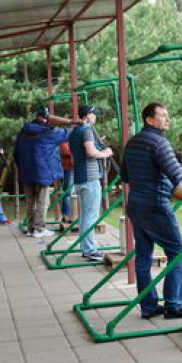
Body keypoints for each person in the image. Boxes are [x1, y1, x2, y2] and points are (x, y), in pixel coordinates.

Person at [122, 102, 182, 319]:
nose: (168, 119)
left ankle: (149, 307)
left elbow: (125, 176)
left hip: (135, 205)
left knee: (143, 257)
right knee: (177, 252)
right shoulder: (159, 143)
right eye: (163, 115)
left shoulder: (132, 142)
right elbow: (177, 175)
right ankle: (173, 305)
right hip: (155, 206)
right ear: (149, 120)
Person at [13, 106, 73, 237]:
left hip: (26, 172)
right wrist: (71, 122)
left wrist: (22, 167)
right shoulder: (50, 132)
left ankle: (31, 228)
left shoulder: (22, 132)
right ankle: (39, 228)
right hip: (43, 172)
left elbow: (15, 153)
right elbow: (69, 133)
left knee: (30, 203)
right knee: (42, 202)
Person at [68, 105, 113, 262]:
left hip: (79, 178)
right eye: (94, 114)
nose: (95, 117)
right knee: (90, 216)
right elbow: (90, 152)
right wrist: (105, 153)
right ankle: (90, 250)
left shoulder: (74, 131)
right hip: (90, 177)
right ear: (87, 116)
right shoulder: (86, 130)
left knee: (84, 216)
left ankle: (85, 248)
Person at [59, 141, 74, 224]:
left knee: (72, 193)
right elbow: (66, 151)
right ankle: (66, 215)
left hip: (74, 169)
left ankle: (71, 215)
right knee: (67, 193)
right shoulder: (64, 142)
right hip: (68, 169)